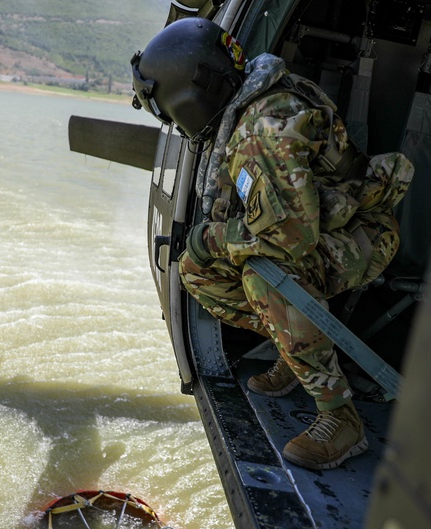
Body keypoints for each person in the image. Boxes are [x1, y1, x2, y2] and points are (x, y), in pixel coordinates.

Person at [131, 18, 413, 470]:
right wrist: (209, 249)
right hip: (324, 226)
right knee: (197, 272)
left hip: (364, 233)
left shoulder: (266, 129)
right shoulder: (255, 102)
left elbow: (289, 242)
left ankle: (340, 416)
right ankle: (297, 351)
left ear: (192, 98)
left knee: (265, 278)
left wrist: (210, 237)